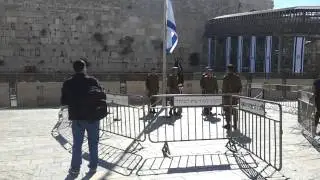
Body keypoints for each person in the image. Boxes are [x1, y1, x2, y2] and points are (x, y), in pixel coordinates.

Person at [61, 59, 103, 176]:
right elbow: (101, 96)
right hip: (93, 117)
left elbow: (64, 101)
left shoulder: (68, 83)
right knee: (93, 143)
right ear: (84, 68)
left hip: (77, 118)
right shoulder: (93, 81)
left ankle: (75, 168)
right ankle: (93, 166)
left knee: (77, 144)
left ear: (74, 69)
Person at [222, 64, 242, 130]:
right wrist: (237, 94)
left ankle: (228, 124)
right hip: (235, 96)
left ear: (228, 70)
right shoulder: (237, 77)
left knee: (227, 111)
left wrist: (224, 96)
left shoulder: (226, 78)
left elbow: (224, 88)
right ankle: (235, 124)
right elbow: (240, 87)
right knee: (235, 110)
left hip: (227, 97)